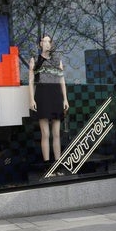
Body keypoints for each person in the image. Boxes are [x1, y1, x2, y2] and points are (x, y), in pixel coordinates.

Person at [28, 35, 69, 167]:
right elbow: (31, 81)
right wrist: (31, 99)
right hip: (42, 97)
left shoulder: (58, 61)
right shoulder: (35, 60)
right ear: (40, 44)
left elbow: (62, 80)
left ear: (51, 44)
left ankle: (58, 165)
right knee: (45, 133)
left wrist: (65, 99)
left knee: (56, 133)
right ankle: (47, 166)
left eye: (48, 41)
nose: (46, 44)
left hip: (56, 96)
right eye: (43, 41)